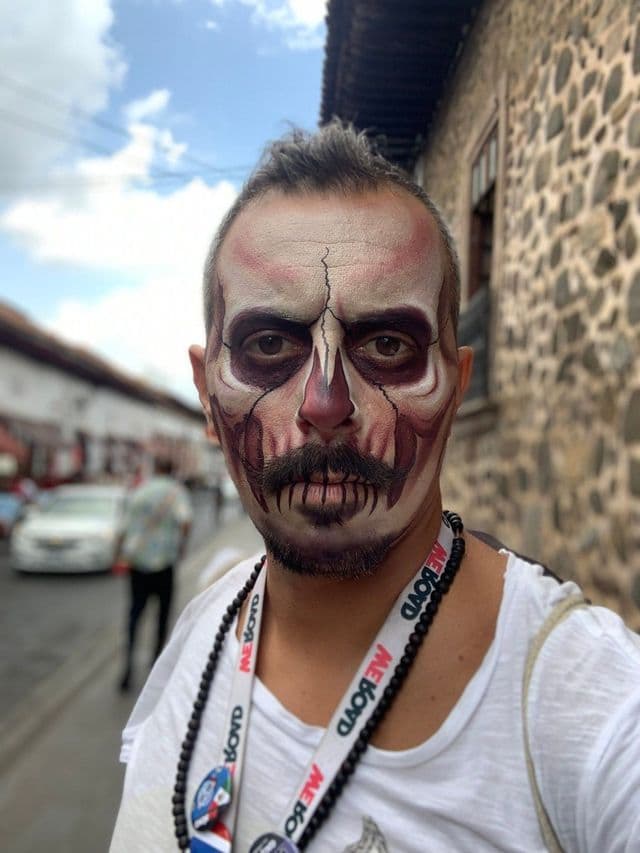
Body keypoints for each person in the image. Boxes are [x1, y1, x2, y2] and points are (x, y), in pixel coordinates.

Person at [111, 124, 640, 852]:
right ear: (207, 393)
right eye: (269, 344)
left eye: (387, 344)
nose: (325, 407)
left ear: (454, 389)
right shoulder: (202, 628)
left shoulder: (593, 714)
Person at [118, 457, 192, 692]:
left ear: (154, 470)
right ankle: (155, 666)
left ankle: (127, 668)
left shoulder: (139, 491)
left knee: (134, 613)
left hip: (138, 563)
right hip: (164, 563)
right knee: (162, 615)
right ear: (171, 471)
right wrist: (180, 546)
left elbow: (123, 526)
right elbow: (185, 520)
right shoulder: (175, 493)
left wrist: (119, 553)